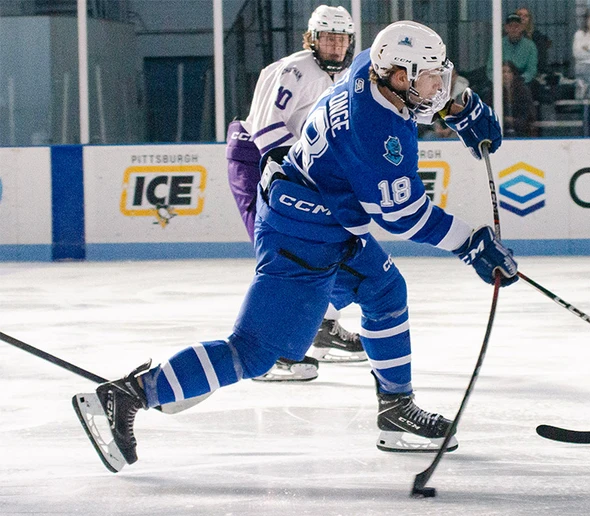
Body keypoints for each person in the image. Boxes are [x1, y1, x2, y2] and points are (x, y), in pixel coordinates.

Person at [73, 20, 517, 473]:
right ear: (400, 77)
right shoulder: (379, 137)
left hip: (321, 219)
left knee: (385, 291)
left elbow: (413, 106)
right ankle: (126, 396)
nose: (438, 87)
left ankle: (395, 410)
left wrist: (456, 107)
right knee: (254, 351)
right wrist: (472, 244)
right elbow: (404, 216)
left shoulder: (369, 66)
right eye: (429, 79)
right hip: (301, 237)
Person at [225, 5, 366, 381]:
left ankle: (321, 328)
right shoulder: (296, 69)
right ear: (313, 38)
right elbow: (266, 125)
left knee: (322, 249)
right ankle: (267, 352)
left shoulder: (344, 77)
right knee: (281, 258)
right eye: (327, 38)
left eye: (341, 39)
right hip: (256, 159)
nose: (335, 46)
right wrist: (296, 175)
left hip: (290, 168)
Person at [498, 13, 538, 85]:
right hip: (501, 81)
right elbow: (490, 69)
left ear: (521, 28)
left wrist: (517, 81)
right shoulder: (498, 44)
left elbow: (531, 70)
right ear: (506, 28)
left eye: (516, 26)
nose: (513, 29)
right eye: (510, 26)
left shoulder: (530, 46)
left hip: (523, 81)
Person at [499, 61, 536, 137]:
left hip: (522, 132)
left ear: (513, 74)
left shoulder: (523, 91)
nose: (505, 75)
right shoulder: (494, 91)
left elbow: (529, 114)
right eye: (503, 72)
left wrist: (515, 121)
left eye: (509, 72)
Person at [516, 6, 553, 76]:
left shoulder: (535, 34)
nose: (522, 17)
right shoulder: (509, 33)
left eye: (526, 16)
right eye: (519, 15)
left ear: (529, 19)